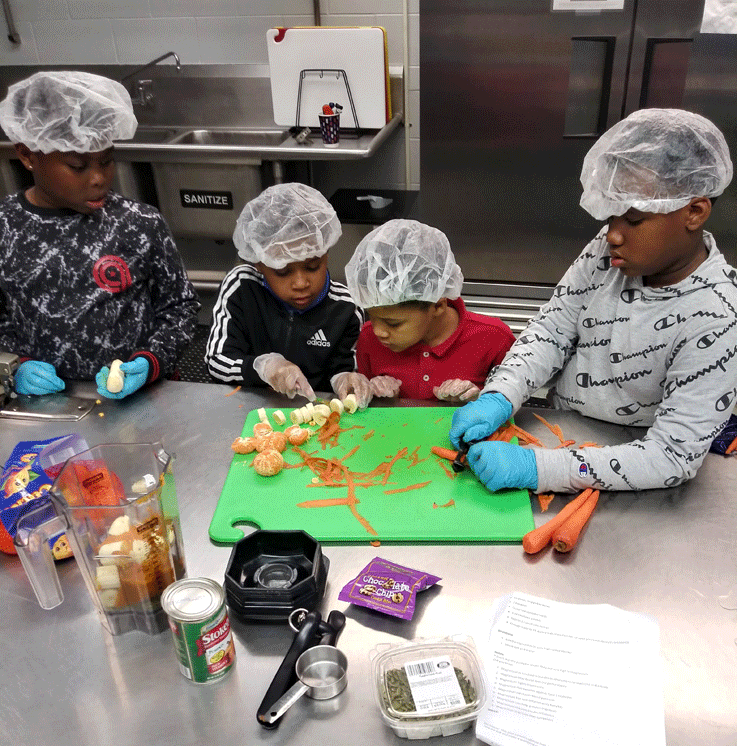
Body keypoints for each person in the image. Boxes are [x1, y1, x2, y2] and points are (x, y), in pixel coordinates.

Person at [450, 108, 737, 494]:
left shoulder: (719, 317)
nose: (613, 235)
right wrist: (502, 393)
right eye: (610, 215)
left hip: (635, 474)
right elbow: (552, 330)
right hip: (561, 429)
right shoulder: (607, 254)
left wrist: (541, 469)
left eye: (633, 220)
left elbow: (672, 456)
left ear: (694, 211)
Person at [0, 71, 199, 400]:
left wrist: (150, 362)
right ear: (27, 155)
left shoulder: (138, 223)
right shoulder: (6, 227)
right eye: (78, 166)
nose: (98, 179)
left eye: (106, 161)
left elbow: (180, 308)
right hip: (46, 404)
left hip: (142, 398)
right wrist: (15, 364)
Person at [205, 182, 371, 405]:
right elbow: (217, 361)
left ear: (327, 254)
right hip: (246, 407)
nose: (301, 283)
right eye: (283, 271)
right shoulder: (242, 288)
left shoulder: (346, 308)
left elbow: (341, 367)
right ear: (259, 264)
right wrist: (263, 367)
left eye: (313, 266)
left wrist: (345, 380)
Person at [344, 219, 515, 402]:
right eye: (372, 315)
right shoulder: (369, 339)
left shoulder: (494, 339)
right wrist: (377, 395)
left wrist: (481, 398)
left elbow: (515, 401)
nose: (378, 331)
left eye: (393, 323)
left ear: (438, 306)